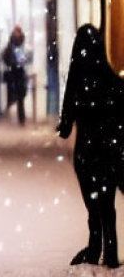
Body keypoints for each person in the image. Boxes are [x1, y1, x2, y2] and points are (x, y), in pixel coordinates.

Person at [58, 24, 124, 268]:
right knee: (107, 204)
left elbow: (66, 122)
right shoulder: (109, 80)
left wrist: (67, 124)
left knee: (94, 205)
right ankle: (110, 251)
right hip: (107, 149)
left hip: (87, 152)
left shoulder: (77, 79)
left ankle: (96, 246)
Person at [2, 25, 29, 125]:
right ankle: (11, 117)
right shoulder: (10, 45)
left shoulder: (23, 45)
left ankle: (21, 119)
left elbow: (27, 57)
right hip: (13, 73)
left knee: (20, 97)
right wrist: (11, 63)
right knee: (11, 97)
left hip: (20, 73)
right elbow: (5, 57)